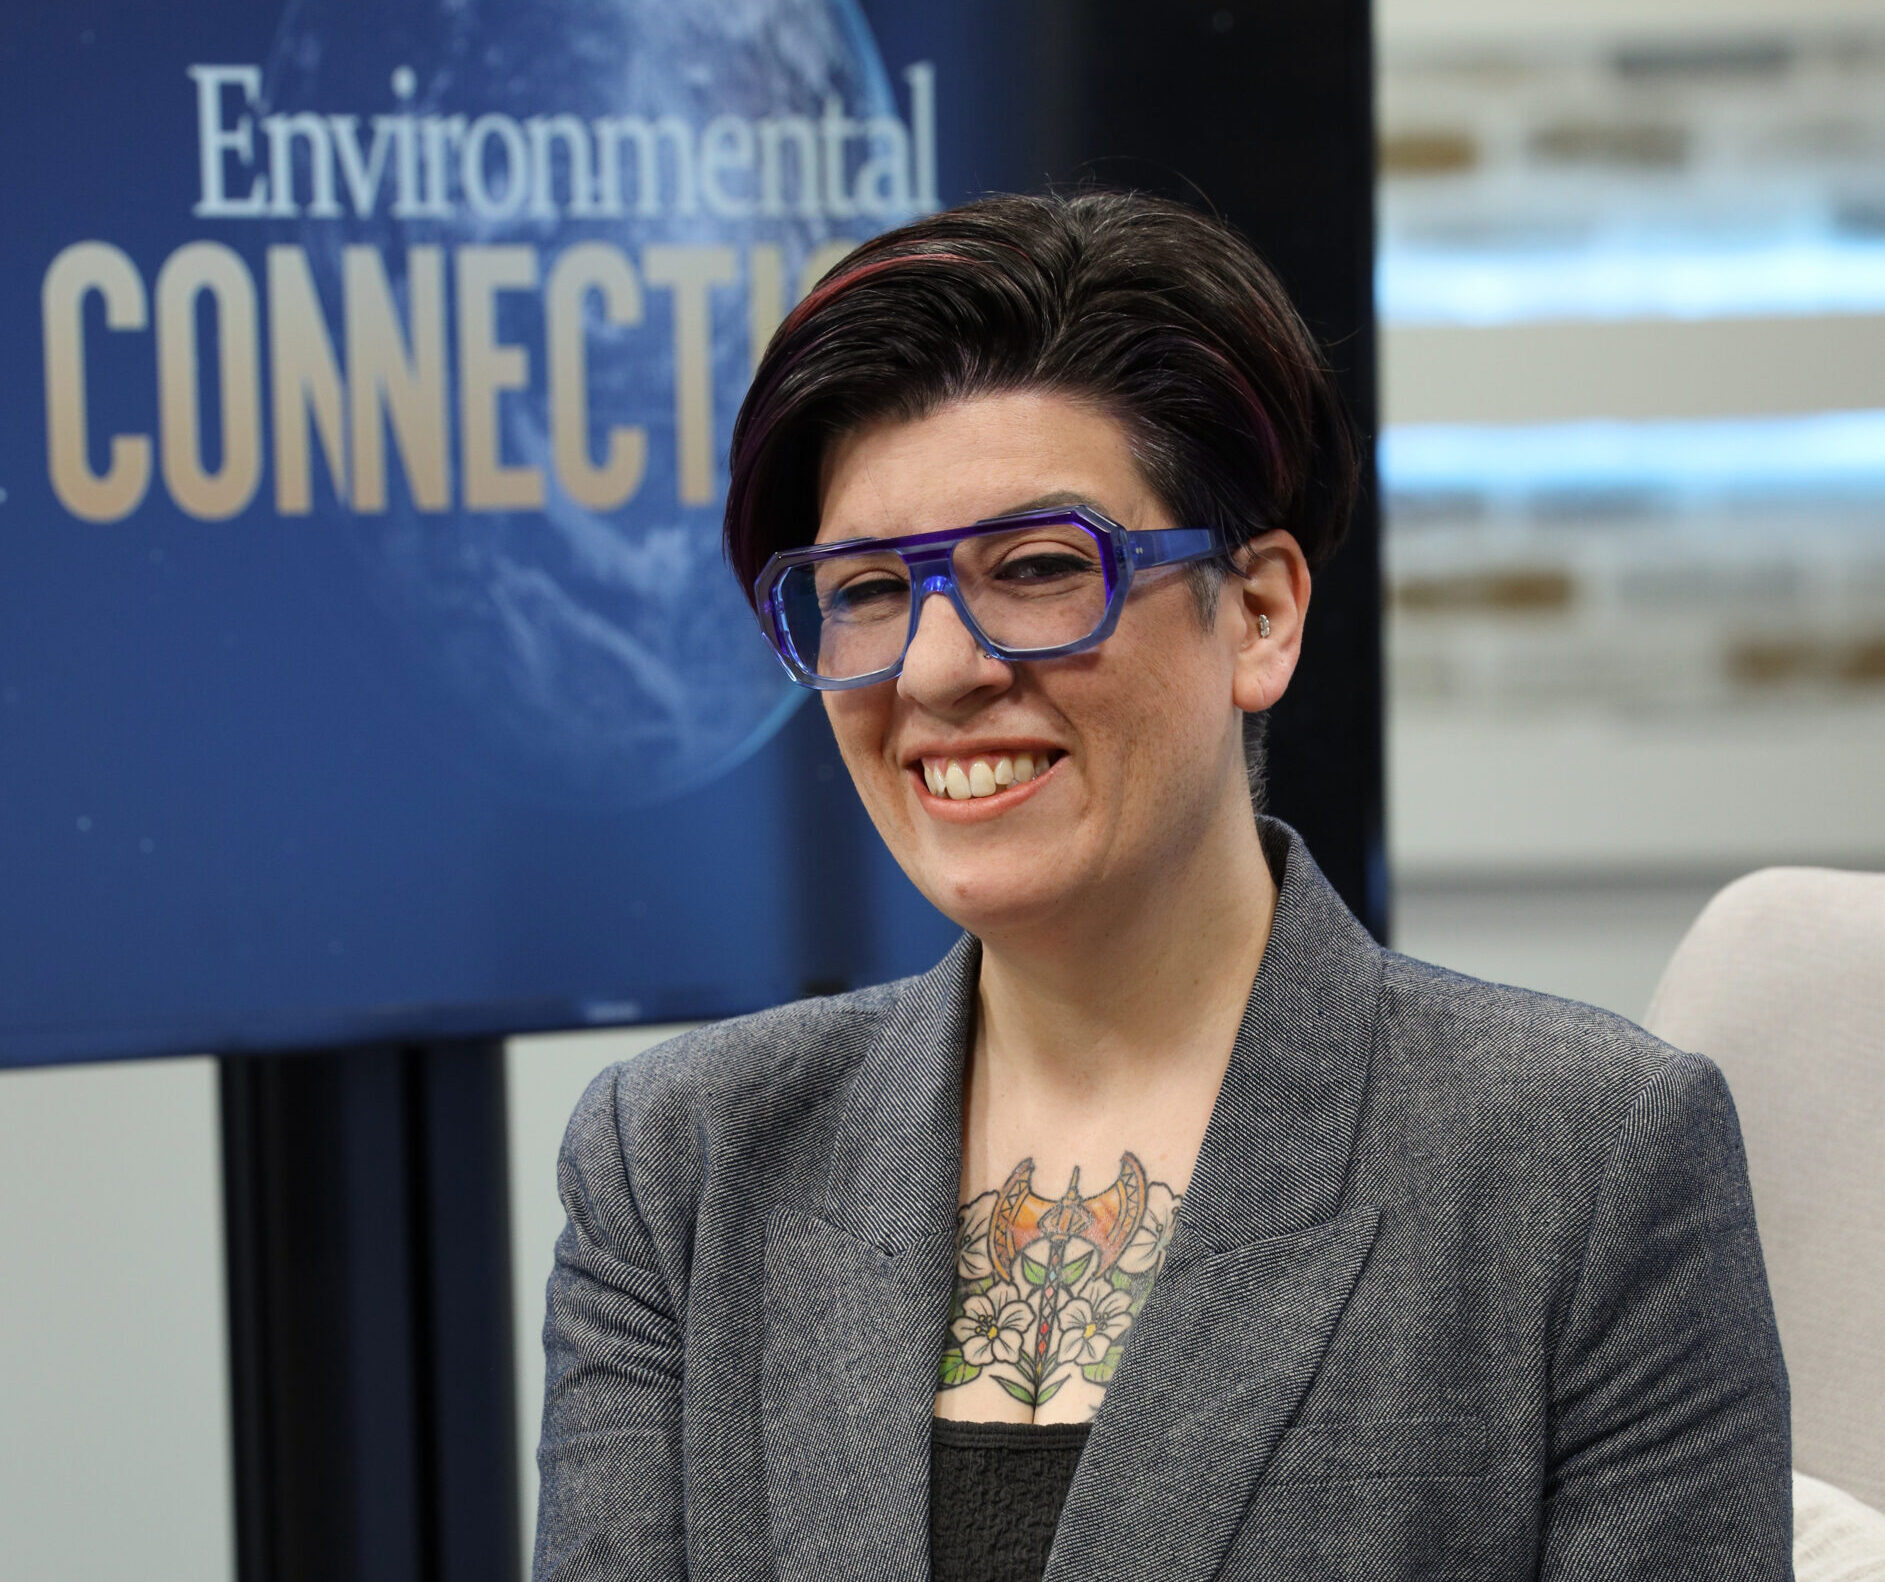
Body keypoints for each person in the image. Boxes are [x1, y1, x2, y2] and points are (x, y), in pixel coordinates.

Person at [533, 191, 1791, 1582]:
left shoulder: (1582, 1160)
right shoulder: (682, 1163)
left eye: (1033, 569)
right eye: (871, 589)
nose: (939, 670)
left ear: (1257, 613)